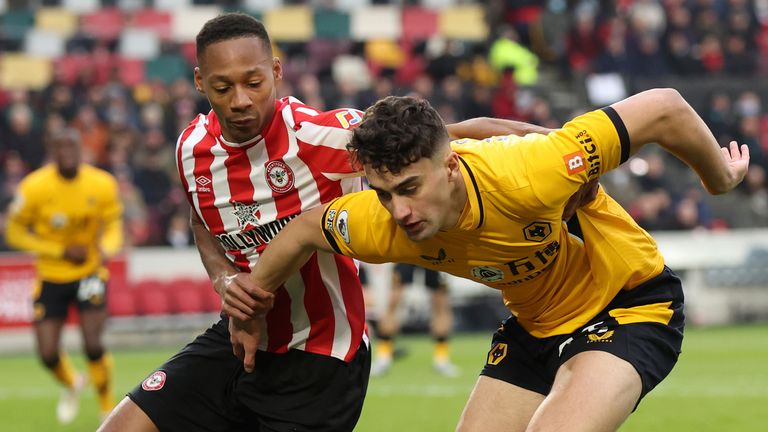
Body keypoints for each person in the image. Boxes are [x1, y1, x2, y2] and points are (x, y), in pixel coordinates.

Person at [99, 12, 554, 432]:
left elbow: (451, 134)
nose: (241, 101)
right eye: (223, 88)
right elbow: (202, 221)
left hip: (322, 358)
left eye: (254, 82)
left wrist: (562, 152)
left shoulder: (322, 136)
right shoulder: (190, 149)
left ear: (276, 72)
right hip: (238, 340)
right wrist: (223, 280)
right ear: (199, 81)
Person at [234, 90, 749, 431]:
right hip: (534, 326)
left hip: (628, 305)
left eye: (411, 188)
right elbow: (301, 231)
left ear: (451, 167)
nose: (401, 211)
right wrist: (251, 311)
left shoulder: (534, 171)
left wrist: (719, 179)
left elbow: (664, 107)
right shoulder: (380, 222)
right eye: (385, 193)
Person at [4, 128, 123, 424]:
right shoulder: (34, 187)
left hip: (90, 272)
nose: (67, 153)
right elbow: (14, 232)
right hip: (51, 275)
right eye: (60, 148)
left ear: (80, 149)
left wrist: (107, 248)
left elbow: (113, 225)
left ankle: (106, 409)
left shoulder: (102, 183)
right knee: (46, 353)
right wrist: (59, 251)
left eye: (72, 147)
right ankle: (72, 382)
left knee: (93, 344)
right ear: (52, 152)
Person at [371, 264, 459, 377]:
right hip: (408, 249)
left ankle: (441, 360)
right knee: (394, 299)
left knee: (441, 302)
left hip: (435, 250)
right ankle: (383, 358)